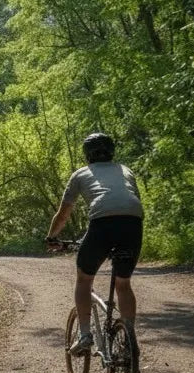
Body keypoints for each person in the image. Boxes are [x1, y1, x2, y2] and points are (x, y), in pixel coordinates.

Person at [46, 132, 143, 356]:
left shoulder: (81, 174)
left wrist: (51, 237)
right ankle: (128, 338)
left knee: (84, 280)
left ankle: (85, 335)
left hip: (101, 224)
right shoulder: (126, 170)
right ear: (112, 152)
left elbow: (63, 214)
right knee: (123, 283)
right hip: (133, 223)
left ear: (87, 154)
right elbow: (130, 202)